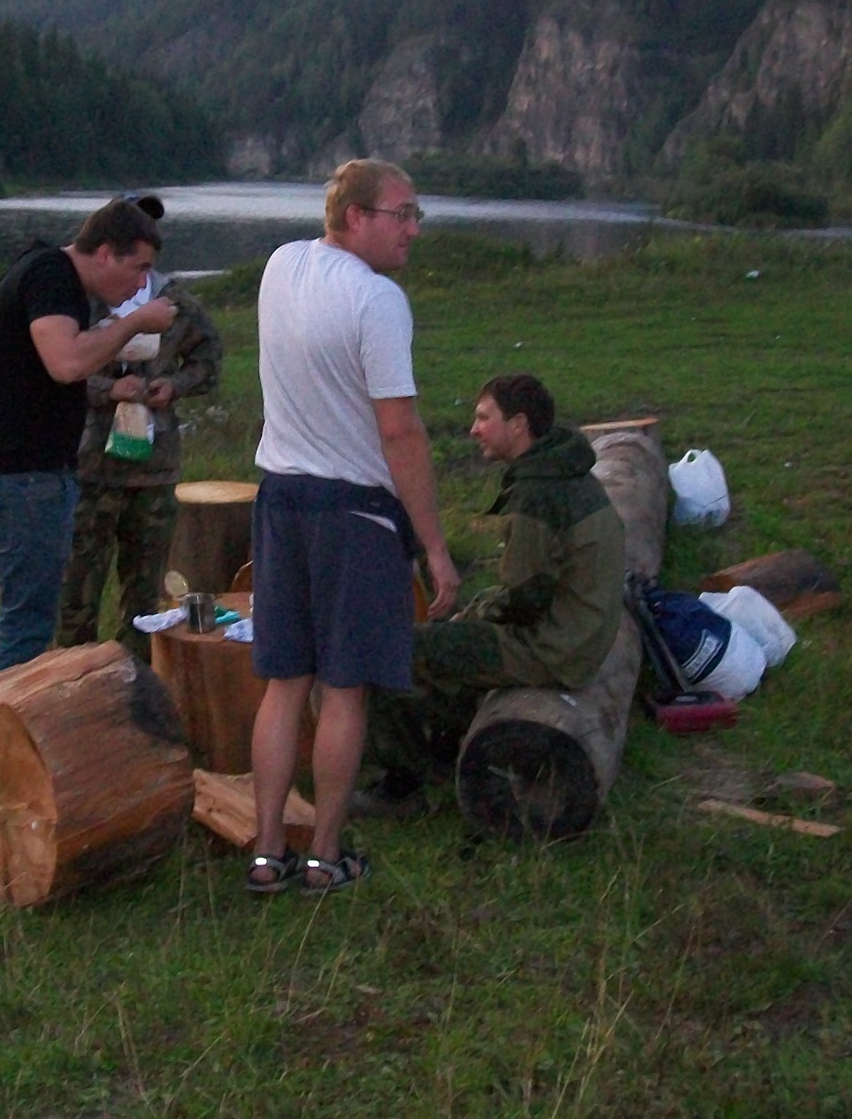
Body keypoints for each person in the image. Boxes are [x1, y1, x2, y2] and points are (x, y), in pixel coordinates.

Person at [244, 158, 460, 896]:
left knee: (283, 683)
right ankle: (323, 857)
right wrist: (433, 546)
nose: (414, 229)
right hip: (353, 515)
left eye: (415, 214)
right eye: (401, 214)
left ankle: (267, 849)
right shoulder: (377, 301)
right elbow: (399, 431)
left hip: (281, 500)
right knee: (343, 691)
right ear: (354, 217)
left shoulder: (281, 266)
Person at [354, 372, 626, 818]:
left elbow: (524, 598)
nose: (473, 428)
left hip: (554, 650)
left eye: (484, 417)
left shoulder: (539, 493)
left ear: (518, 424)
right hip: (580, 638)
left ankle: (402, 788)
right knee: (447, 644)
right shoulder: (565, 469)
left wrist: (471, 617)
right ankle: (446, 755)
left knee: (392, 650)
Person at [0, 198, 178, 672]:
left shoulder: (45, 270)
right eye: (139, 267)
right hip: (27, 476)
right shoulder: (53, 278)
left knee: (31, 616)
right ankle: (11, 734)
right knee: (28, 625)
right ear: (104, 253)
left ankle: (15, 727)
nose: (142, 283)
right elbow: (65, 363)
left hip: (29, 473)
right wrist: (135, 323)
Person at [56, 204, 223, 662]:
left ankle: (136, 683)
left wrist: (174, 385)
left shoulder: (177, 305)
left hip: (154, 470)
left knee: (145, 599)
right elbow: (59, 369)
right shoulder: (83, 301)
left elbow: (209, 363)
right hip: (91, 465)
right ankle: (71, 678)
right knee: (76, 592)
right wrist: (110, 389)